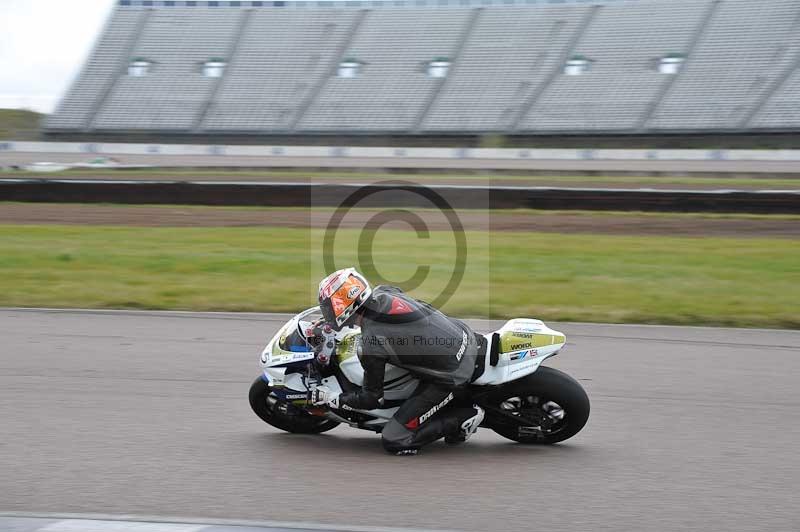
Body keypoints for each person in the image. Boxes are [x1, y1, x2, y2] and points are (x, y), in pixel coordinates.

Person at [311, 267, 485, 455]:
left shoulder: (371, 343)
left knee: (395, 439)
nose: (328, 313)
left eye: (329, 308)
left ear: (344, 307)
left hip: (453, 374)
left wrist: (332, 399)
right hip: (465, 335)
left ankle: (464, 416)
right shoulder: (384, 291)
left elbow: (372, 398)